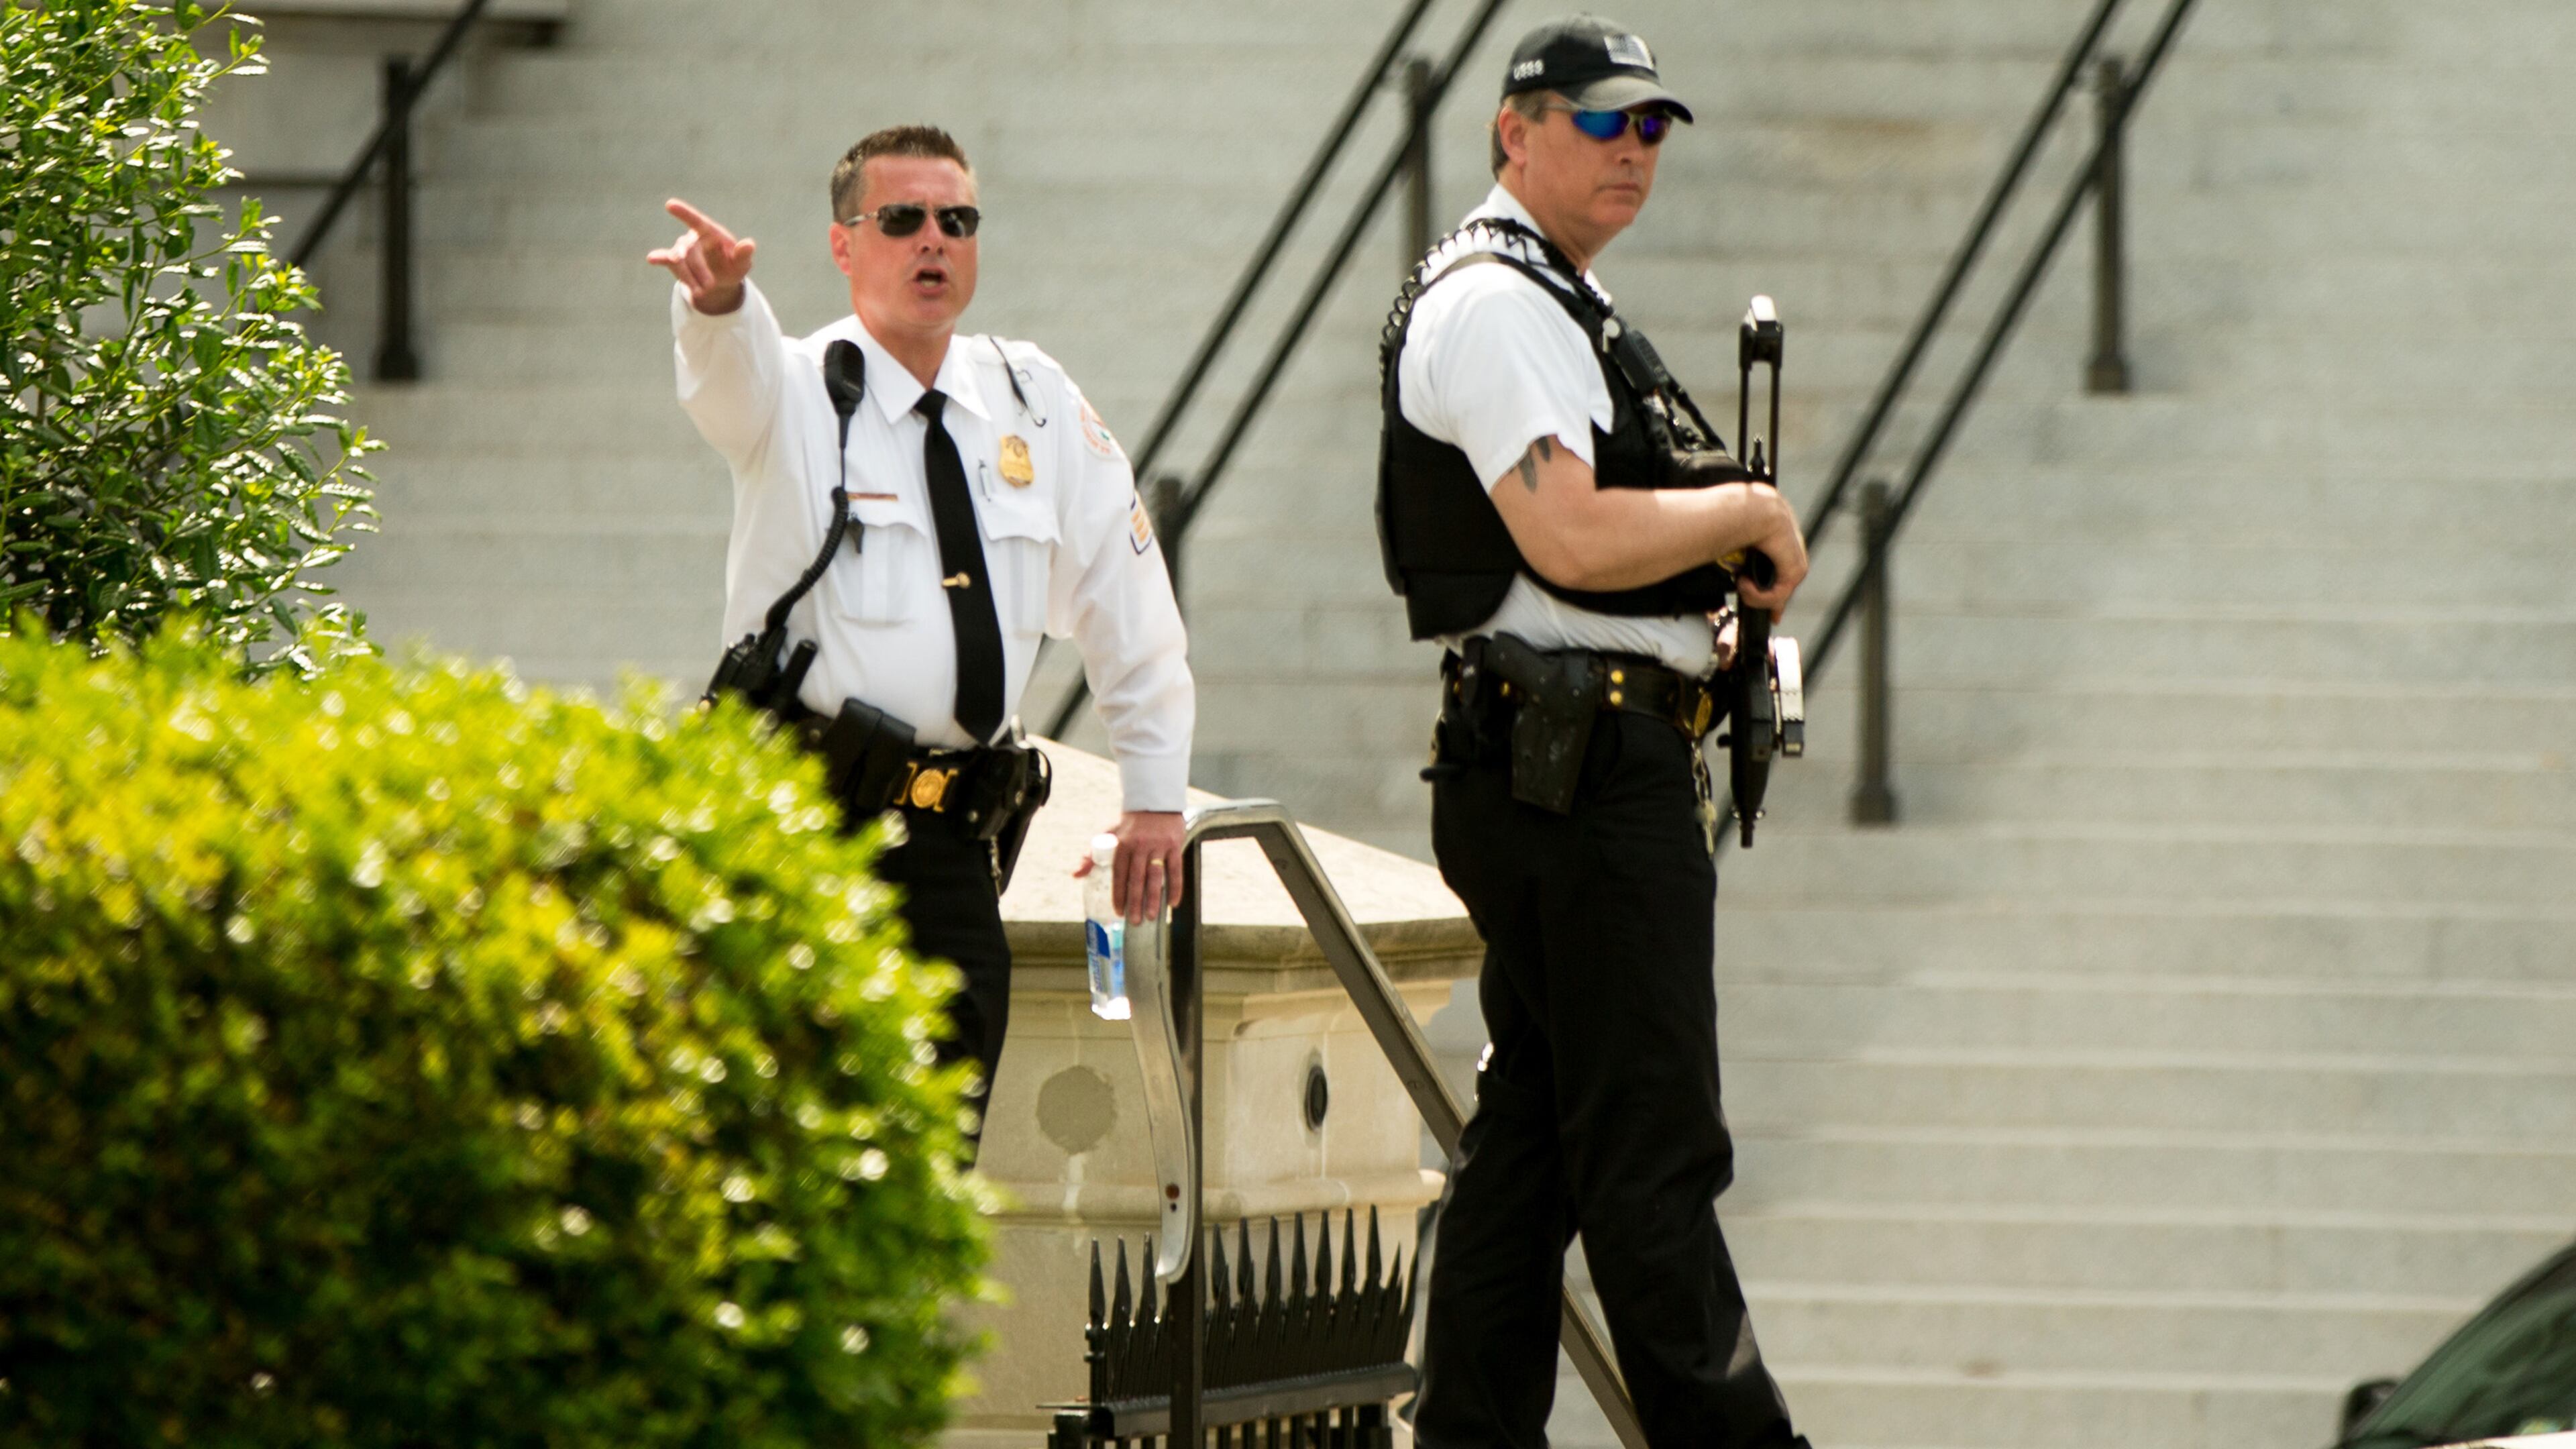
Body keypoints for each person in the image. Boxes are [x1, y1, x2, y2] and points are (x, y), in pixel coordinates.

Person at [1377, 17, 1815, 1448]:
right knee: (1651, 1153)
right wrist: (1742, 515)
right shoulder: (1500, 303)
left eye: (1653, 128)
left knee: (1532, 1158)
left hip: (1572, 758)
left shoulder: (1557, 296)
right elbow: (1563, 531)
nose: (1639, 151)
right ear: (1516, 131)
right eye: (1605, 122)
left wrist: (1710, 610)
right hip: (1576, 772)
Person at [648, 125, 1193, 1151]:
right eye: (901, 219)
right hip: (804, 835)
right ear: (846, 246)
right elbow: (726, 377)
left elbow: (1128, 602)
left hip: (950, 844)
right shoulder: (800, 388)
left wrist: (1155, 794)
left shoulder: (1030, 398)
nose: (933, 240)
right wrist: (715, 303)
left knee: (937, 1166)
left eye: (958, 220)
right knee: (787, 1159)